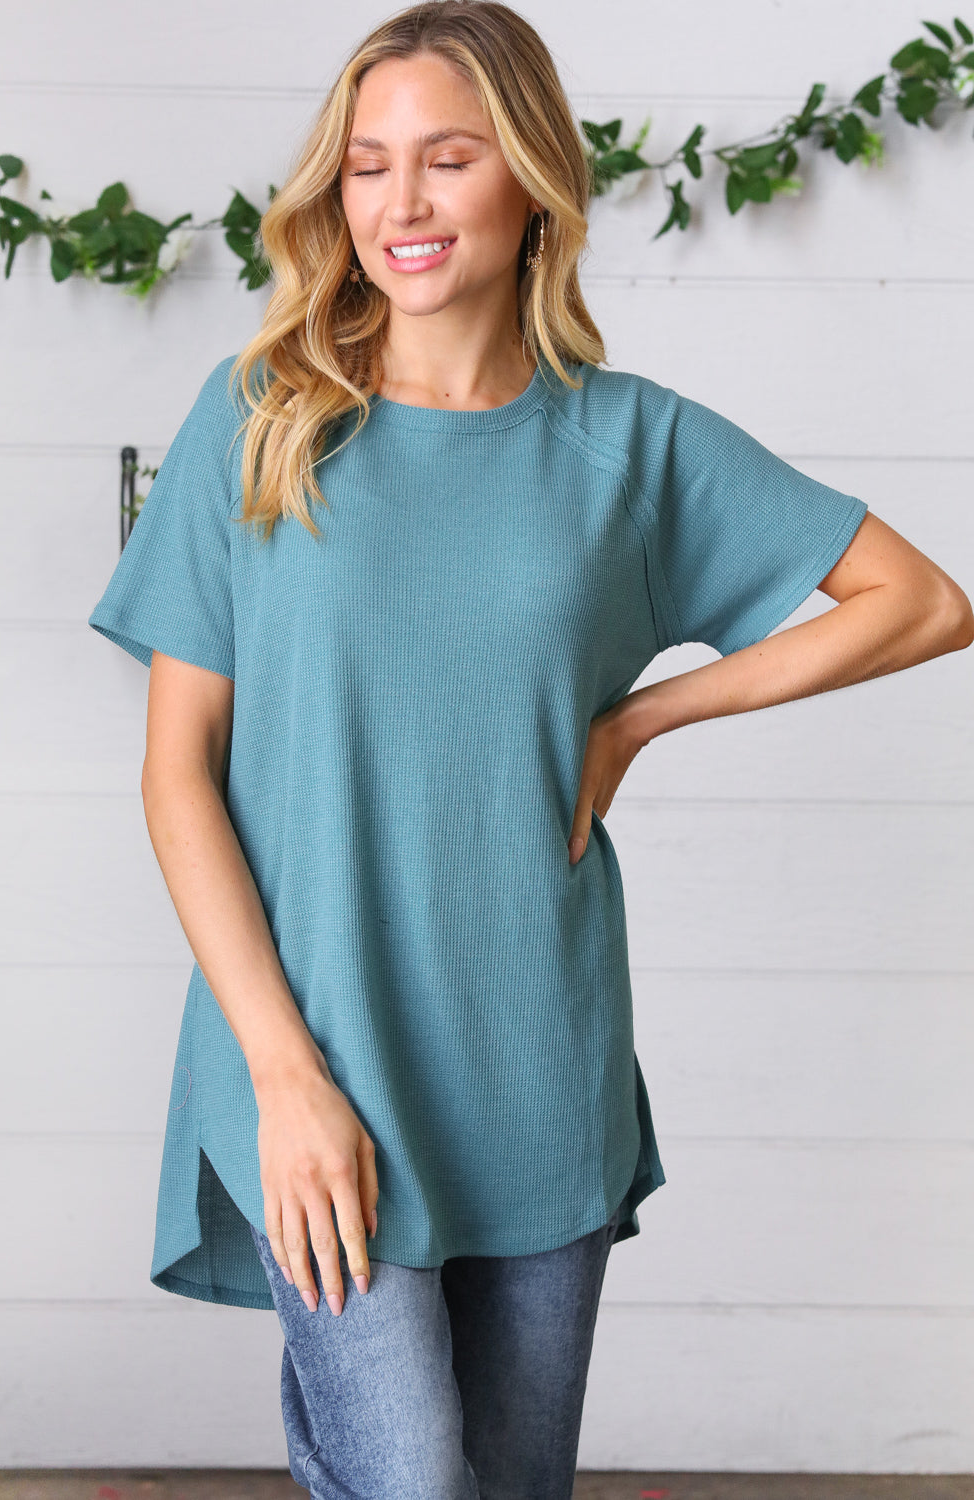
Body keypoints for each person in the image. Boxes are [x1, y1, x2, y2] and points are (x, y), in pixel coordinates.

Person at [87, 2, 974, 1495]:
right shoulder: (263, 422)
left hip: (535, 1060)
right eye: (368, 165)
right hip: (311, 1048)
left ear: (533, 178)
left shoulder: (630, 445)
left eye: (449, 157)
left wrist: (645, 714)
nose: (403, 202)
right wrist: (284, 1077)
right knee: (411, 1480)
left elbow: (927, 603)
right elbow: (179, 774)